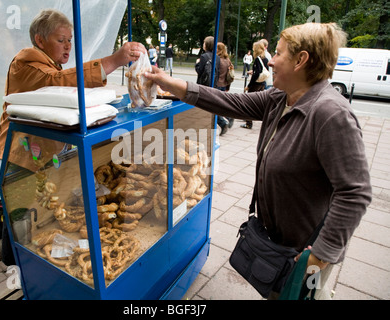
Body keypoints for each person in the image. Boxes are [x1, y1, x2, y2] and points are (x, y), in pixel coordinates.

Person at [145, 22, 372, 300]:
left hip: (302, 253)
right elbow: (231, 103)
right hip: (276, 244)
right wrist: (173, 85)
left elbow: (355, 192)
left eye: (278, 53)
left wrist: (321, 256)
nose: (271, 61)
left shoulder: (331, 114)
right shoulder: (281, 97)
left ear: (301, 61)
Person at [0, 9, 146, 180]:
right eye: (61, 40)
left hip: (40, 158)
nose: (68, 45)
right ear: (40, 40)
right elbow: (57, 82)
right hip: (18, 161)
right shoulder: (26, 64)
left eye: (70, 40)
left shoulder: (50, 64)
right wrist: (114, 61)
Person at [195, 36, 227, 135]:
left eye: (204, 43)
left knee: (202, 105)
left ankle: (220, 122)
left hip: (203, 85)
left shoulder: (204, 57)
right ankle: (220, 122)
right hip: (213, 85)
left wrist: (197, 64)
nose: (203, 44)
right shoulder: (217, 57)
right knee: (211, 105)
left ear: (207, 45)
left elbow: (200, 71)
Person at [242, 41, 269, 129]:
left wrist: (249, 86)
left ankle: (248, 123)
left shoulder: (258, 59)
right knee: (259, 103)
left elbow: (257, 74)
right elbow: (263, 71)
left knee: (249, 103)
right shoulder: (265, 59)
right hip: (262, 83)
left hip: (255, 84)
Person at [216, 42, 234, 128]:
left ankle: (223, 122)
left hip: (218, 84)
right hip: (224, 84)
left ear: (218, 49)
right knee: (222, 103)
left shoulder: (218, 60)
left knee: (216, 105)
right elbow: (229, 75)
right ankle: (228, 117)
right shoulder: (227, 60)